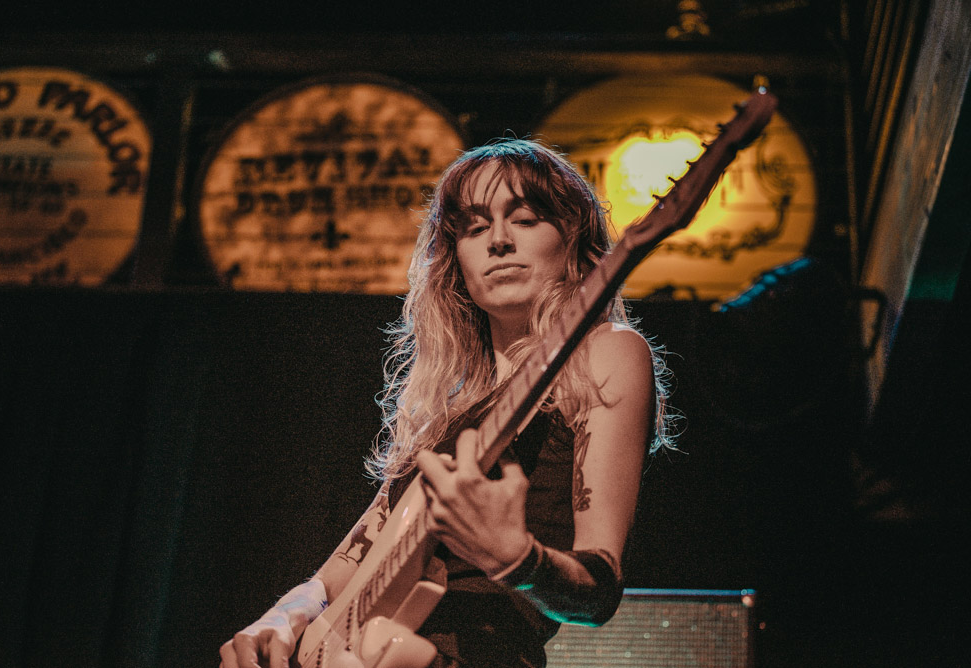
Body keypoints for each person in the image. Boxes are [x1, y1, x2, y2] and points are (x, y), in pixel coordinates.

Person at [219, 138, 675, 668]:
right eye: (475, 228)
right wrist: (285, 613)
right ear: (454, 259)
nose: (498, 241)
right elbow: (344, 568)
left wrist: (516, 558)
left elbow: (598, 592)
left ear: (572, 239)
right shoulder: (451, 408)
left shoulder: (607, 351)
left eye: (524, 219)